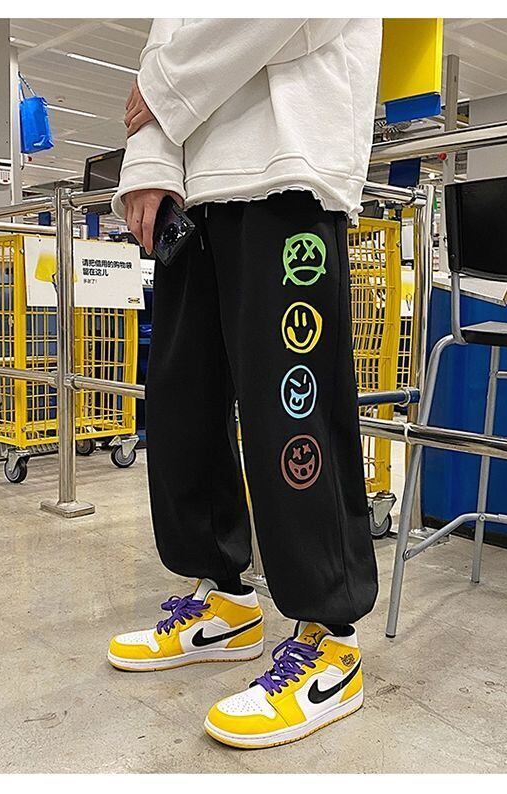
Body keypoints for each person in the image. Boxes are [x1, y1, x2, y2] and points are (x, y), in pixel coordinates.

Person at [109, 18, 382, 749]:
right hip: (191, 189)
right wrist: (148, 162)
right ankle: (225, 603)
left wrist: (165, 86)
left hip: (288, 167)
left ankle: (330, 638)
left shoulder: (176, 84)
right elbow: (164, 38)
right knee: (181, 409)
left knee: (291, 417)